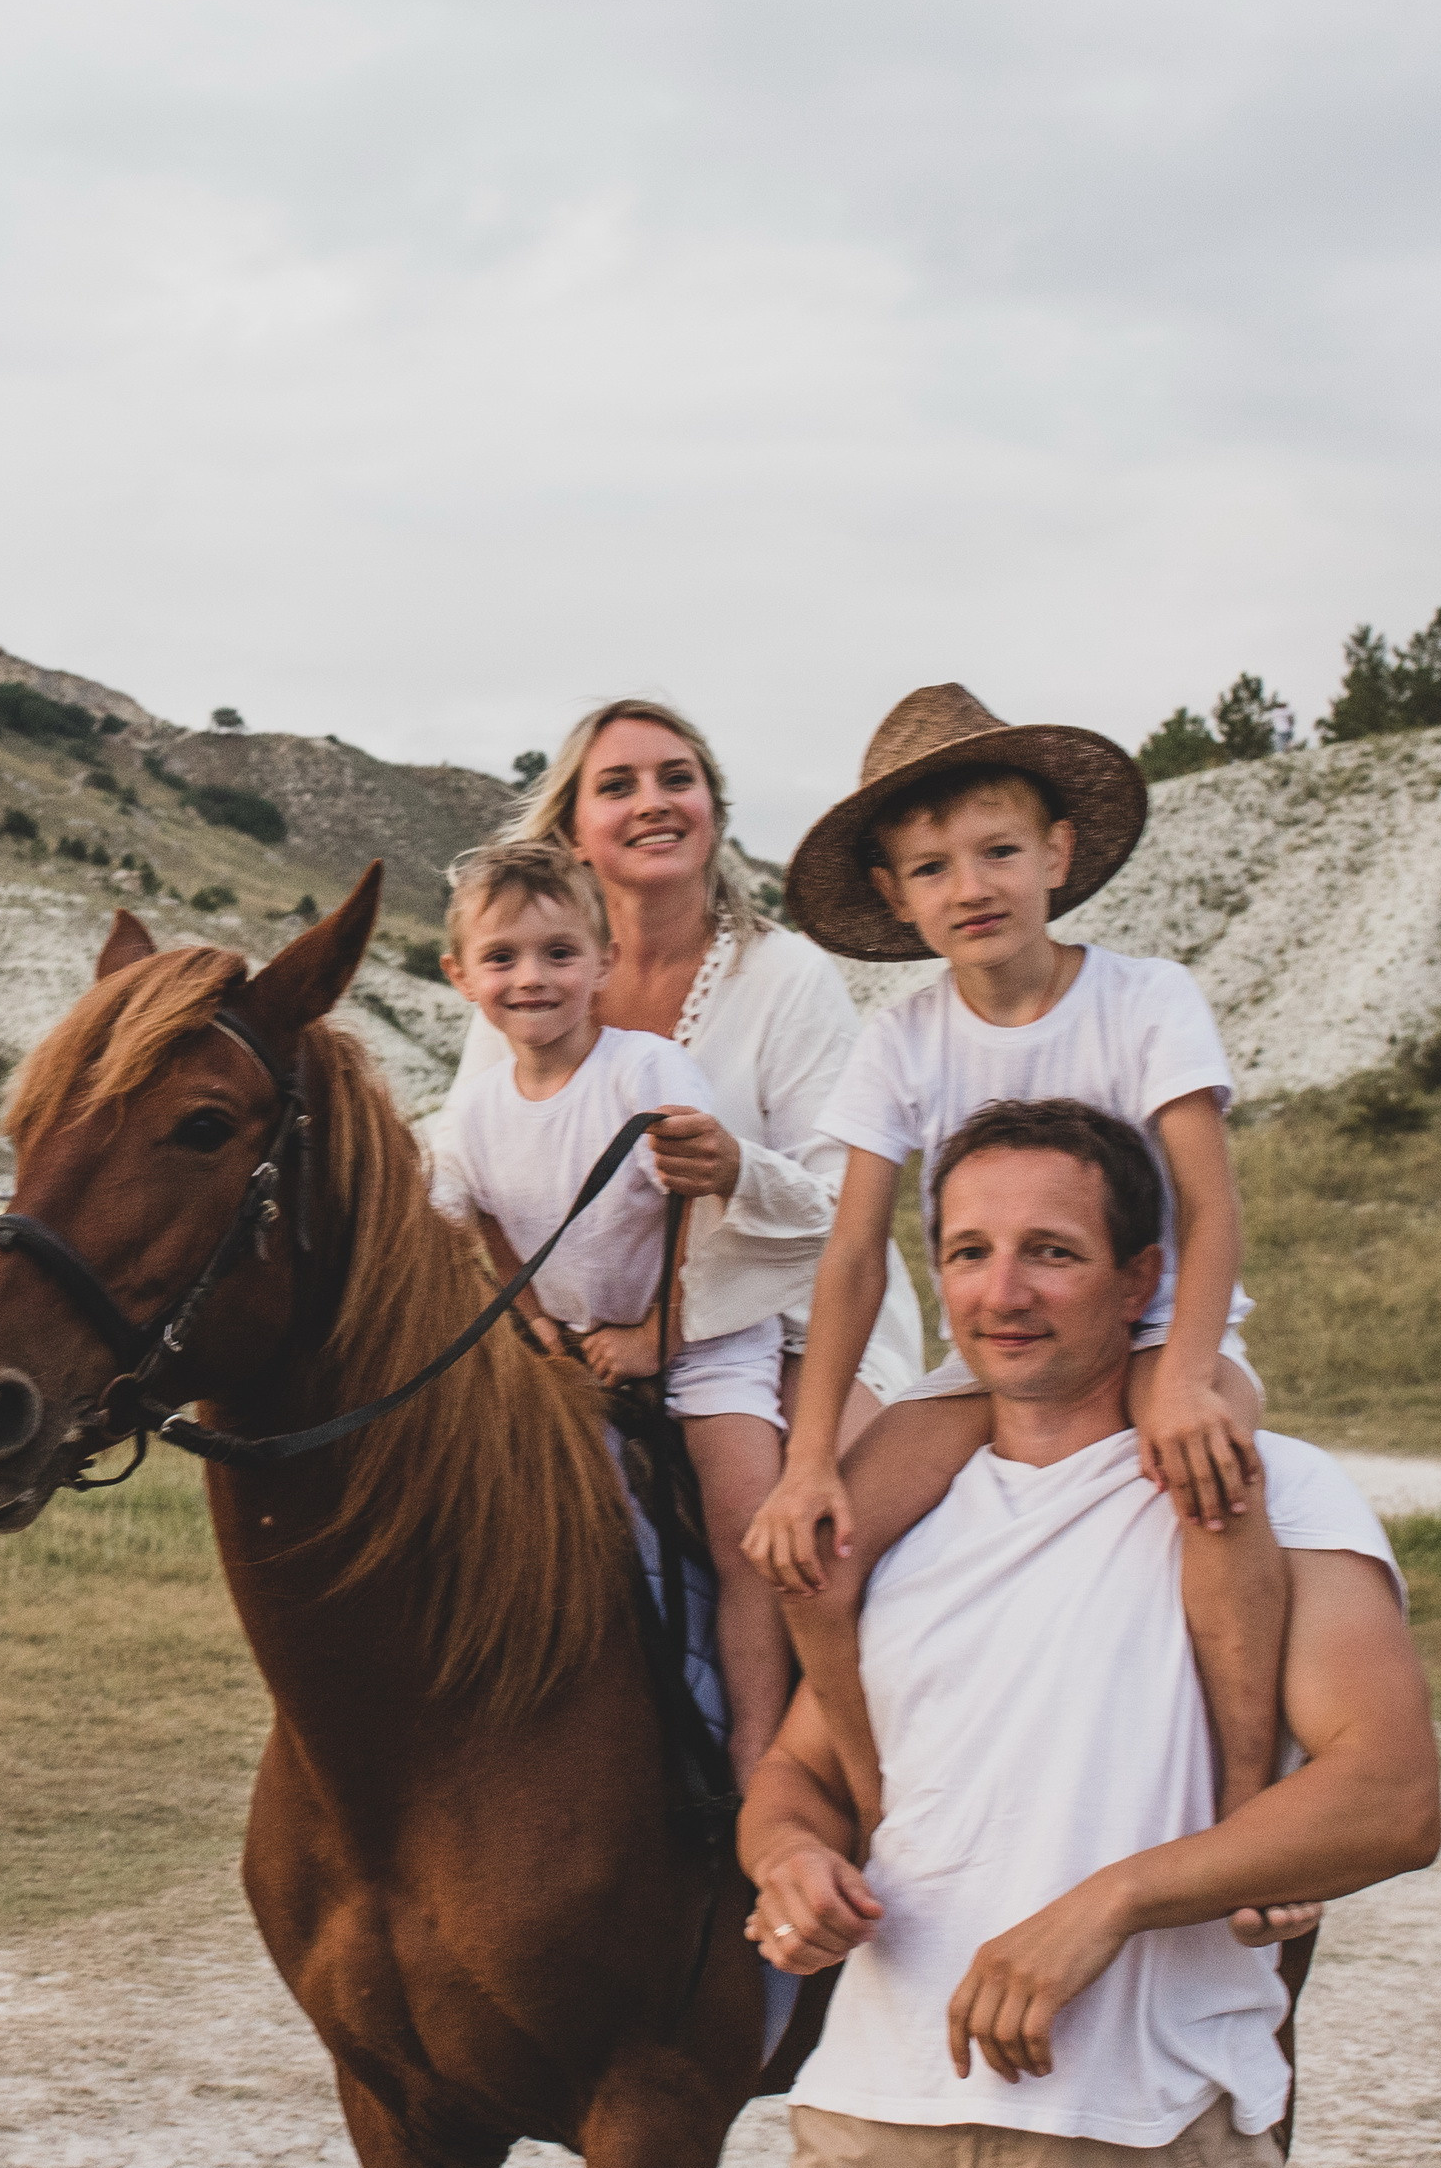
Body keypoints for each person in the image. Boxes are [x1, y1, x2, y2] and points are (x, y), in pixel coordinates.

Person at [739, 1099, 1441, 2168]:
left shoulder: (1278, 1496)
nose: (1001, 1292)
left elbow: (1391, 1796)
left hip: (1141, 2142)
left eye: (1051, 1252)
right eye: (970, 1251)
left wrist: (1106, 1905)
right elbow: (800, 1777)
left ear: (1143, 1281)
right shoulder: (909, 1525)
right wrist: (788, 1866)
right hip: (878, 2136)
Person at [744, 683, 1283, 1835]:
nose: (970, 887)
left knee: (1213, 1484)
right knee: (815, 1558)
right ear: (893, 894)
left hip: (1150, 1331)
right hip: (995, 1354)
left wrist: (1186, 1375)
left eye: (996, 851)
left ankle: (1244, 1786)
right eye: (931, 868)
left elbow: (1207, 1200)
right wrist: (808, 1461)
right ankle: (881, 1803)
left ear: (1056, 852)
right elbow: (851, 1255)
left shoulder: (1144, 999)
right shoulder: (902, 1035)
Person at [443, 697, 923, 1773]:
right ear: (572, 828)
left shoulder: (784, 976)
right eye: (616, 785)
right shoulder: (530, 973)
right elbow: (469, 1175)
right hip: (588, 1330)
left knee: (800, 1529)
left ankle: (834, 1776)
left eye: (676, 777)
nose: (652, 802)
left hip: (799, 1317)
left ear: (711, 806)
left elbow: (844, 1206)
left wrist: (730, 1181)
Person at [437, 838, 791, 1778]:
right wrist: (533, 1319)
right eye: (502, 958)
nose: (532, 979)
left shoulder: (646, 1074)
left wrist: (656, 1338)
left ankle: (756, 1748)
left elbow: (703, 1222)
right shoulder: (470, 1117)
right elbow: (477, 1223)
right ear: (461, 976)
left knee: (745, 1527)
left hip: (704, 1341)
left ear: (603, 963)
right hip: (583, 1352)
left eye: (558, 954)